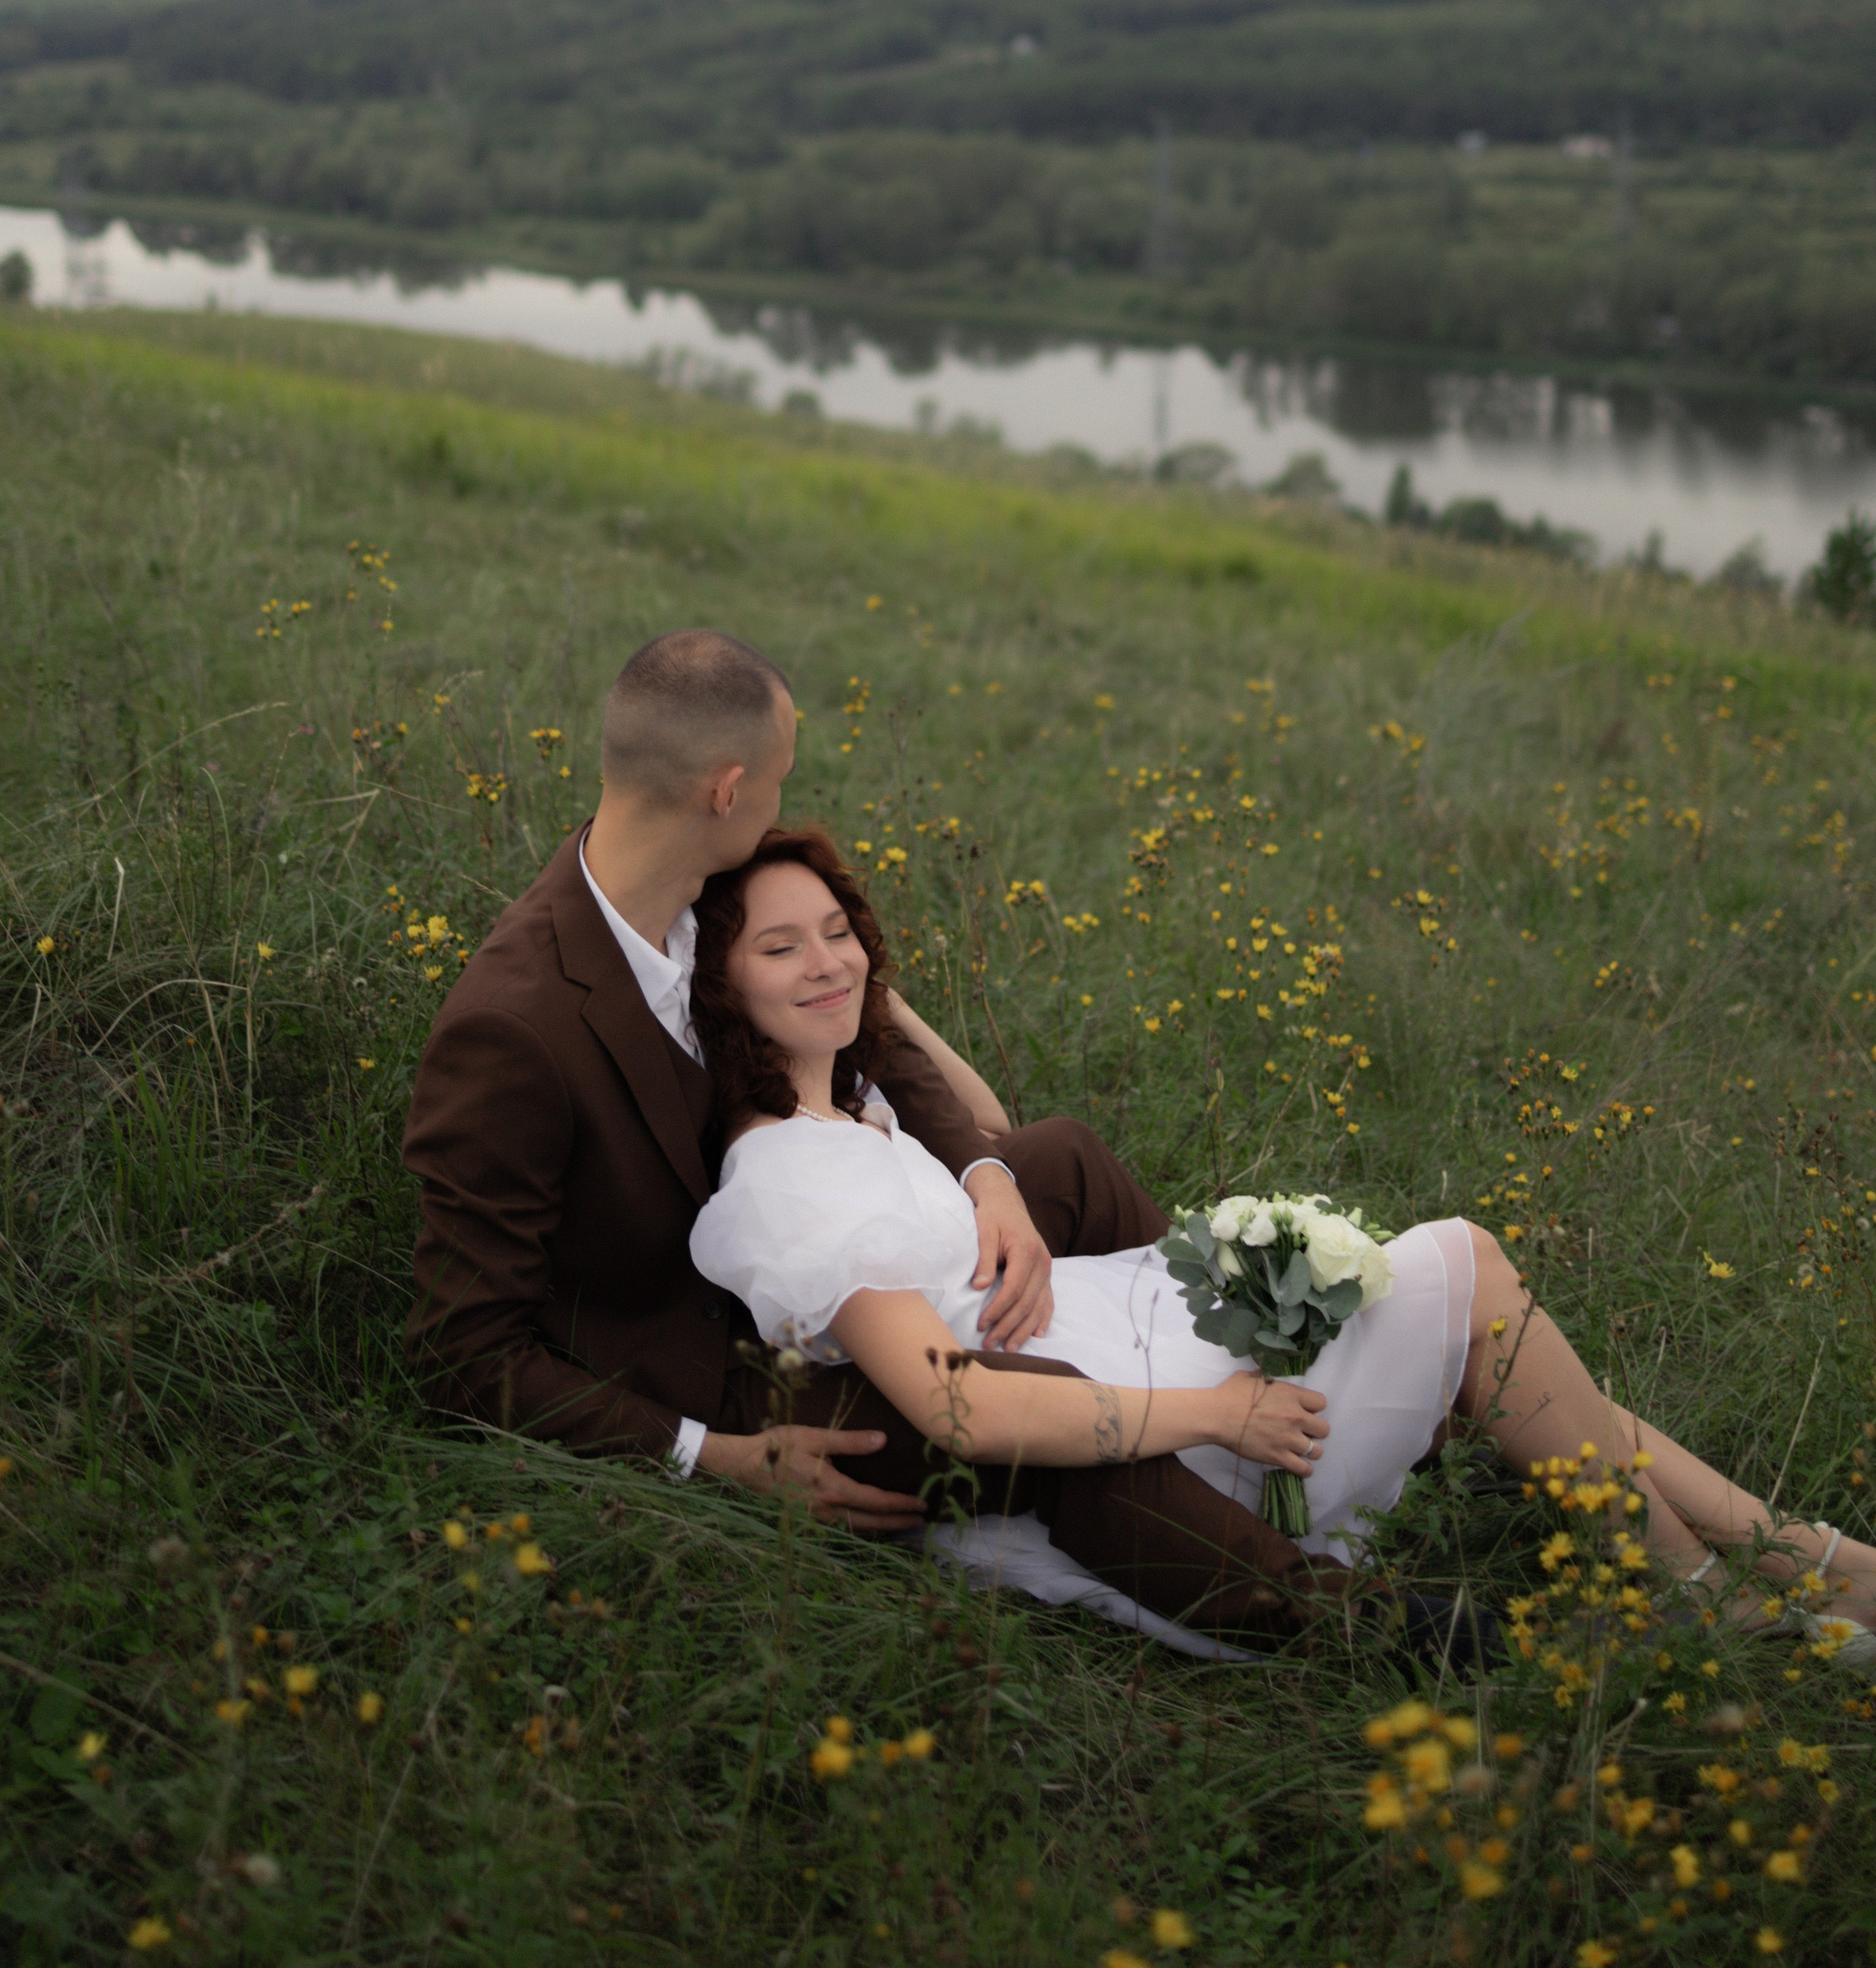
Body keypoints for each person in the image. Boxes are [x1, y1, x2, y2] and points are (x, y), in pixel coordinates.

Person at [688, 824, 1876, 1664]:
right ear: (721, 988)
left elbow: (992, 1129)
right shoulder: (786, 1180)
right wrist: (1221, 1415)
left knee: (1495, 1344)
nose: (829, 961)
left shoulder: (854, 1110)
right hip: (1149, 1452)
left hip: (1147, 1357)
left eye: (838, 929)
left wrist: (891, 1018)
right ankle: (1709, 1601)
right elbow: (955, 1411)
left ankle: (1815, 1559)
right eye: (781, 948)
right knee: (1468, 1282)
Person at [405, 627, 1347, 1641]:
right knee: (1014, 1415)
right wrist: (715, 1456)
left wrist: (987, 1176)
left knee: (1058, 1160)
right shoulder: (513, 1026)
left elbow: (862, 1023)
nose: (782, 799)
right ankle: (1336, 1615)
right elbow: (462, 1348)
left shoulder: (692, 884)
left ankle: (1259, 1382)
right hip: (717, 1357)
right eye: (780, 778)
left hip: (827, 1237)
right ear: (726, 790)